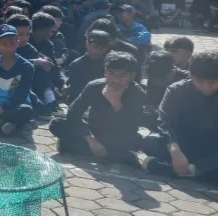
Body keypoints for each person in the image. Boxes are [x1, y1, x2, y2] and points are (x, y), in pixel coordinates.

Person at [50, 52, 146, 162]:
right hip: (93, 129)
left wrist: (115, 102)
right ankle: (108, 153)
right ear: (105, 72)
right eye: (111, 73)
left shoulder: (138, 93)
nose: (116, 80)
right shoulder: (95, 86)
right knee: (56, 123)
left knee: (135, 141)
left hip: (118, 134)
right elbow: (73, 112)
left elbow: (133, 125)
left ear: (132, 76)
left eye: (122, 75)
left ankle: (69, 145)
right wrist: (91, 140)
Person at [140, 51, 218, 180]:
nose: (206, 87)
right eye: (199, 81)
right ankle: (198, 172)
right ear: (191, 75)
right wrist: (175, 150)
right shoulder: (176, 90)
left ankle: (182, 170)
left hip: (212, 147)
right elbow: (165, 123)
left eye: (212, 82)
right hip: (183, 143)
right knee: (151, 142)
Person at [143, 51, 190, 125]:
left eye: (162, 79)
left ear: (172, 71)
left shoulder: (189, 81)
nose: (157, 83)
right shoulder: (153, 77)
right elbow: (150, 103)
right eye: (153, 79)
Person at [65, 30, 113, 103]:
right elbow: (75, 93)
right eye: (95, 47)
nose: (97, 51)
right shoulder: (76, 65)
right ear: (87, 43)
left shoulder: (110, 65)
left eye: (101, 49)